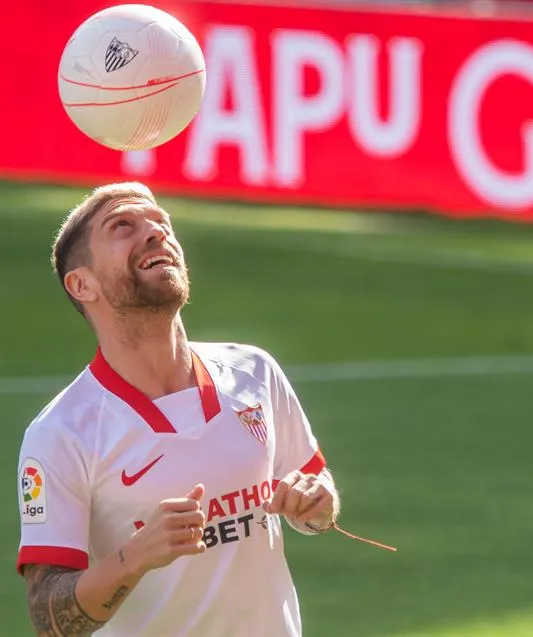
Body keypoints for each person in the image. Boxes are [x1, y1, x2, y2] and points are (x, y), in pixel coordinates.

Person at [16, 182, 341, 637]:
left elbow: (316, 494)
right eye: (124, 226)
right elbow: (49, 619)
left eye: (161, 224)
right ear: (82, 284)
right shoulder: (61, 433)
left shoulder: (255, 372)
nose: (155, 233)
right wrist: (137, 555)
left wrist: (318, 504)